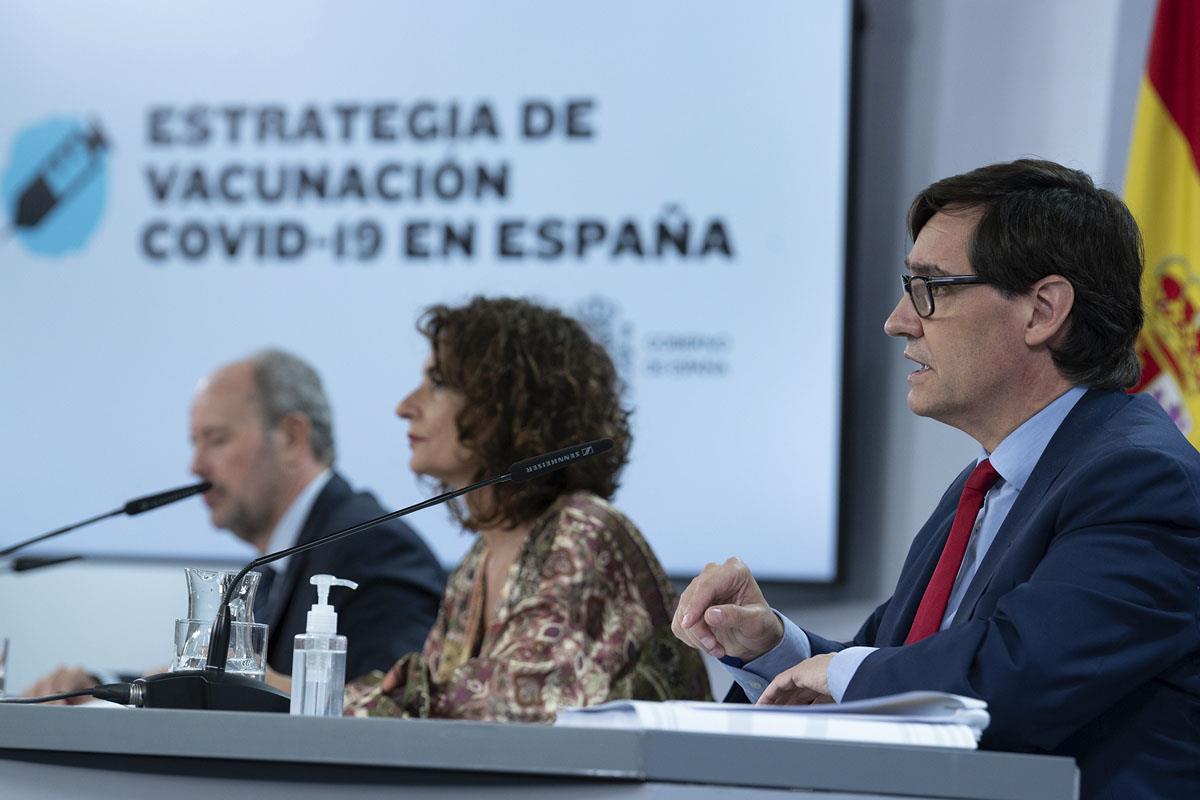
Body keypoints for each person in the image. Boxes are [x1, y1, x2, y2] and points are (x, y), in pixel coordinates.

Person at [672, 160, 1200, 798]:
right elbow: (900, 662)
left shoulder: (1142, 481)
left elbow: (1008, 682)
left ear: (1042, 310)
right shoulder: (988, 483)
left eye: (932, 288)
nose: (899, 319)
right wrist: (777, 650)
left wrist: (835, 673)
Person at [345, 297, 709, 721]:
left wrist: (327, 697)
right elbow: (434, 712)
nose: (405, 407)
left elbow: (509, 709)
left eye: (438, 383)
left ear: (506, 405)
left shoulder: (583, 532)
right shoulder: (475, 565)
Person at [28, 349, 446, 698]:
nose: (196, 466)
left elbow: (390, 709)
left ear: (291, 437)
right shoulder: (279, 557)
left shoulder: (372, 547)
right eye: (195, 443)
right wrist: (102, 687)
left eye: (216, 439)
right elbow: (225, 682)